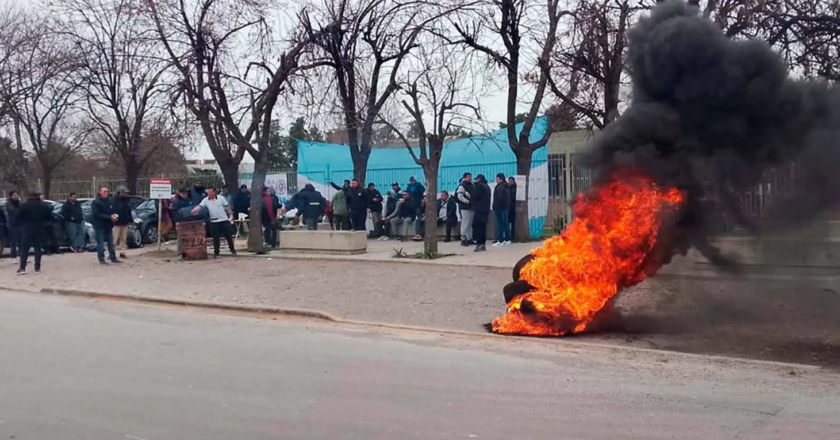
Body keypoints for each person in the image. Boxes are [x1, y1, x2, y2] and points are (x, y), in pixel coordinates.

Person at [191, 187, 236, 258]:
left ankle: (232, 250)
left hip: (224, 220)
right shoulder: (206, 200)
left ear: (214, 192)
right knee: (216, 238)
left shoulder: (221, 198)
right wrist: (194, 210)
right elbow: (200, 206)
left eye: (211, 192)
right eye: (208, 192)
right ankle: (216, 252)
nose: (209, 194)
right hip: (214, 221)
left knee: (228, 236)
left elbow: (227, 207)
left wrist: (231, 214)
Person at [15, 192, 52, 274]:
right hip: (39, 228)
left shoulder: (24, 206)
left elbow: (17, 217)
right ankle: (37, 267)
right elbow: (48, 217)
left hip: (27, 228)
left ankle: (22, 268)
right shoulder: (44, 206)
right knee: (38, 248)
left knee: (24, 249)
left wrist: (21, 223)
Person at [91, 187, 120, 265]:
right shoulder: (96, 202)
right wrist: (109, 217)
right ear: (100, 192)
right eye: (104, 191)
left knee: (111, 243)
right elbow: (96, 214)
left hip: (108, 225)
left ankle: (113, 257)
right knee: (100, 243)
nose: (106, 193)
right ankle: (101, 259)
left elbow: (112, 211)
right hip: (99, 225)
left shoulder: (109, 201)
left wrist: (113, 216)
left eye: (107, 191)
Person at [169, 188, 193, 258]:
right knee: (180, 237)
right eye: (183, 194)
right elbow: (173, 213)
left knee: (189, 237)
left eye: (186, 194)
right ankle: (180, 252)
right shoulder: (176, 202)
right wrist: (176, 222)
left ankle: (189, 251)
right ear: (180, 194)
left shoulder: (188, 200)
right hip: (180, 222)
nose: (185, 195)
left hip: (188, 221)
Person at [471, 174, 491, 252]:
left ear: (479, 179)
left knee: (477, 226)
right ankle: (483, 244)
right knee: (483, 227)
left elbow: (475, 196)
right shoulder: (487, 187)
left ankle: (479, 243)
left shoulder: (480, 187)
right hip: (485, 210)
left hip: (479, 210)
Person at [112, 187, 134, 258]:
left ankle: (122, 252)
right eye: (123, 192)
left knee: (123, 238)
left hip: (125, 221)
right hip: (117, 222)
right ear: (119, 192)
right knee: (115, 238)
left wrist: (131, 220)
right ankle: (111, 252)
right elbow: (113, 211)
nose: (125, 194)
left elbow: (128, 210)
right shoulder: (114, 200)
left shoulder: (126, 200)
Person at [455, 173, 475, 247]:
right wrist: (467, 202)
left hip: (471, 207)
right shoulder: (462, 185)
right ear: (464, 178)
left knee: (469, 224)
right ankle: (463, 239)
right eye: (468, 177)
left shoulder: (471, 185)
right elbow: (459, 196)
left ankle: (469, 238)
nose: (470, 178)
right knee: (465, 223)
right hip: (465, 207)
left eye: (470, 177)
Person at [493, 173, 512, 247]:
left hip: (500, 208)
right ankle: (507, 239)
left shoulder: (500, 187)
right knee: (505, 224)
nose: (496, 180)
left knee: (500, 224)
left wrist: (495, 206)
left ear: (501, 179)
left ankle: (500, 240)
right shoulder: (506, 186)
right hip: (505, 208)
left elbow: (499, 198)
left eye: (497, 179)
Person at [4, 191, 22, 262]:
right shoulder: (8, 203)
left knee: (21, 241)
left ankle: (21, 256)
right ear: (11, 196)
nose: (16, 196)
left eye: (17, 195)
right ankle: (14, 257)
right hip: (12, 224)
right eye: (14, 195)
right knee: (13, 241)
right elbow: (13, 211)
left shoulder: (19, 203)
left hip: (20, 224)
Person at [507, 176, 517, 241]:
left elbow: (512, 197)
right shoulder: (508, 188)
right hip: (508, 207)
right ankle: (509, 235)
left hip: (512, 207)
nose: (509, 182)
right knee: (508, 222)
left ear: (513, 181)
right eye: (509, 181)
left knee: (512, 222)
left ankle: (513, 236)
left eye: (511, 181)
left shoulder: (514, 188)